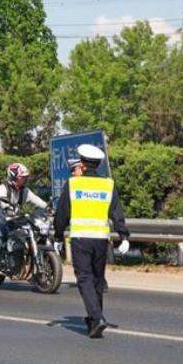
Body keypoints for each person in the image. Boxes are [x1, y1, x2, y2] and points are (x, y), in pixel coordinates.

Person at [54, 144, 130, 338]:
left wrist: (57, 236)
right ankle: (94, 321)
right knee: (97, 280)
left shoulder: (73, 184)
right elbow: (117, 212)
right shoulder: (108, 184)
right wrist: (123, 236)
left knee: (85, 279)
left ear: (83, 163)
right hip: (101, 240)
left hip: (81, 239)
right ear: (98, 164)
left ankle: (97, 318)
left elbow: (62, 213)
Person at [0, 162, 48, 293]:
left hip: (14, 221)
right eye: (22, 177)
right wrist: (6, 207)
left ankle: (28, 270)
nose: (24, 180)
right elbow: (2, 201)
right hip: (1, 222)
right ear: (13, 177)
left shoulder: (25, 191)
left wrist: (49, 207)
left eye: (25, 177)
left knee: (25, 241)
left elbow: (37, 201)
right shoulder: (3, 188)